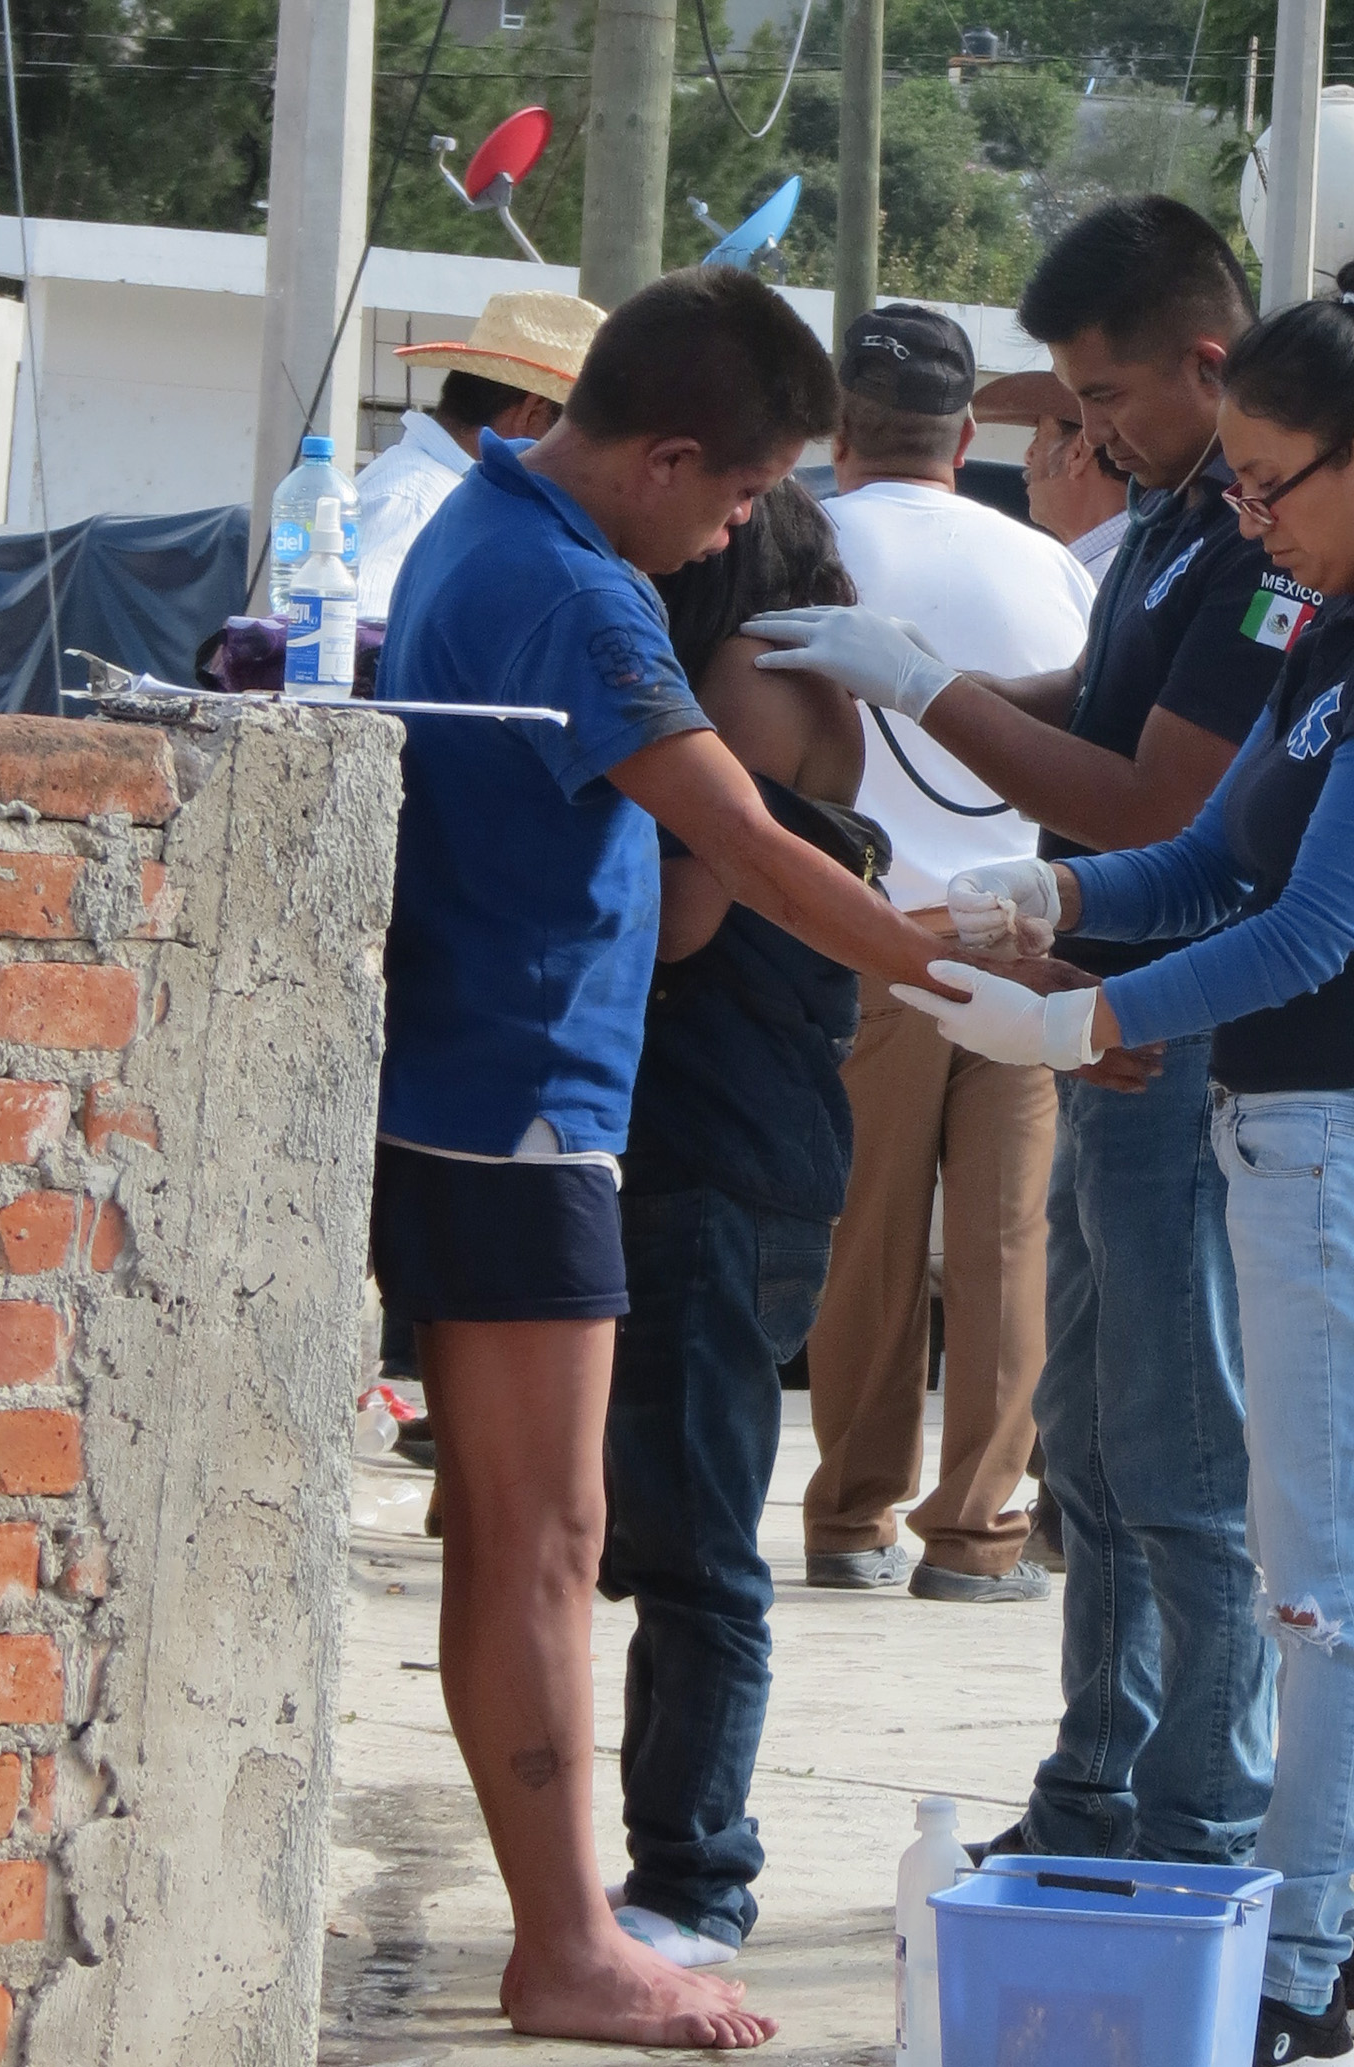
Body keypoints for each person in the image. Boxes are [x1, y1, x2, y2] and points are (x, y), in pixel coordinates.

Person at [890, 252, 1354, 2062]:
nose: (1243, 517)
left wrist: (1086, 1020)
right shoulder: (1334, 625)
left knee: (1327, 1572)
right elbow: (1210, 854)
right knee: (1289, 1551)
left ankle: (1304, 1949)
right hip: (1297, 1131)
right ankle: (1311, 1896)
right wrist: (1054, 897)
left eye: (1266, 482)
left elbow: (1318, 922)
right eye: (1230, 487)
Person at [371, 266, 992, 2050]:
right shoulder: (583, 599)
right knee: (553, 1533)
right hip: (518, 1104)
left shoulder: (476, 524)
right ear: (662, 454)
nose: (739, 531)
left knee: (526, 1530)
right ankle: (571, 1939)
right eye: (734, 495)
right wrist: (981, 977)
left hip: (492, 1089)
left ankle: (567, 1925)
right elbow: (754, 849)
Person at [750, 197, 1308, 1873]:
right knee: (1092, 1425)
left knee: (1182, 1448)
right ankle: (1101, 1782)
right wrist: (947, 696)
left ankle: (1200, 1809)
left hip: (1172, 1017)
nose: (1087, 434)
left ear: (1210, 366)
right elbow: (1096, 724)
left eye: (1107, 401)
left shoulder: (1265, 555)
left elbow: (1160, 794)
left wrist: (928, 694)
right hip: (1083, 999)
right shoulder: (1163, 530)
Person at [598, 481, 879, 1968]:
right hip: (759, 1163)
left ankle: (696, 1872)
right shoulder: (812, 676)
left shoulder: (748, 682)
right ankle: (678, 1859)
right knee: (682, 1536)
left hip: (713, 1166)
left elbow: (684, 916)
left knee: (697, 1551)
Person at [794, 307, 1095, 1603]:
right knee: (1007, 1242)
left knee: (862, 1237)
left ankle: (852, 1517)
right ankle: (975, 1532)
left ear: (837, 427)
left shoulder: (794, 544)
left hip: (864, 936)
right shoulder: (1052, 565)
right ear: (969, 433)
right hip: (1021, 939)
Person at [363, 291, 606, 615]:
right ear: (533, 413)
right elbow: (359, 652)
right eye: (574, 434)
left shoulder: (437, 495)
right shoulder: (415, 503)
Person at [973, 368, 1134, 577]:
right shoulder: (1140, 562)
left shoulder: (1104, 578)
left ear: (1078, 452)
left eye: (1039, 436)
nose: (1028, 455)